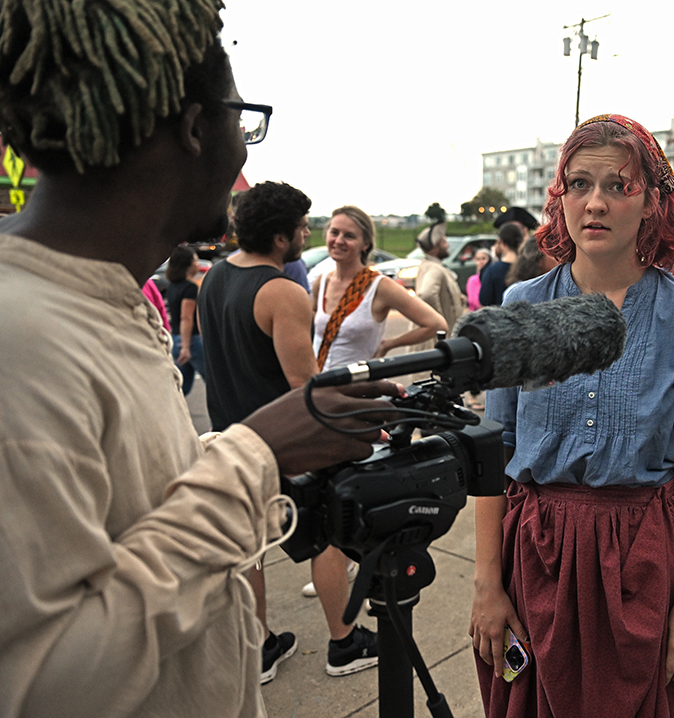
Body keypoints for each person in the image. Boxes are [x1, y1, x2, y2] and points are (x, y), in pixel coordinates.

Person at [0, 1, 398, 713]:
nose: (245, 149)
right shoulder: (19, 340)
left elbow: (121, 507)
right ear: (192, 127)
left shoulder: (98, 300)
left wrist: (221, 452)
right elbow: (39, 683)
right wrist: (253, 456)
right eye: (240, 121)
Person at [470, 113, 674, 718]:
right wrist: (487, 582)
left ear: (653, 205)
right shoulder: (522, 305)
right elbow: (493, 452)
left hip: (642, 558)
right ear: (559, 198)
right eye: (579, 184)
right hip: (536, 555)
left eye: (619, 185)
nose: (595, 202)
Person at [199, 181, 381, 682]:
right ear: (282, 238)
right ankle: (344, 644)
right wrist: (363, 420)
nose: (308, 234)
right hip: (285, 446)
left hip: (230, 437)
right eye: (303, 226)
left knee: (252, 548)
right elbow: (305, 387)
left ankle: (260, 649)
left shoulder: (213, 278)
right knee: (324, 538)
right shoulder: (282, 291)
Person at [312, 205, 445, 369]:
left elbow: (436, 324)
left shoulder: (379, 286)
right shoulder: (322, 282)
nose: (338, 241)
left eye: (349, 236)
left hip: (358, 389)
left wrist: (389, 344)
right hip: (320, 385)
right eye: (334, 232)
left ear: (365, 244)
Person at [413, 221, 465, 343]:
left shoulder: (428, 264)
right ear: (435, 247)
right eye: (444, 242)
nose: (447, 245)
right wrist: (439, 321)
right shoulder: (434, 268)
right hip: (436, 341)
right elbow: (427, 294)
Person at [166, 244, 207, 395]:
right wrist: (186, 346)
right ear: (188, 265)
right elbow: (186, 317)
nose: (197, 264)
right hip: (191, 341)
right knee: (216, 385)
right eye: (195, 260)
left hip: (176, 338)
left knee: (182, 387)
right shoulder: (190, 288)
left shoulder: (172, 286)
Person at [478, 222, 522, 306]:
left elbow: (484, 300)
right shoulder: (529, 267)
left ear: (502, 243)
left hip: (500, 317)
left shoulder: (493, 270)